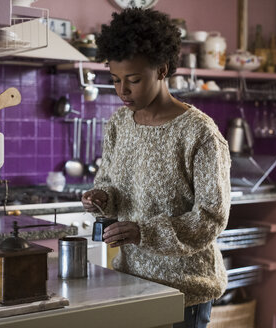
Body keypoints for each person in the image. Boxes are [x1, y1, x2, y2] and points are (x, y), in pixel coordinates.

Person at [81, 8, 231, 328]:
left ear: (162, 70)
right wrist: (101, 197)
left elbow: (211, 218)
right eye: (116, 80)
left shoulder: (200, 133)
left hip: (185, 290)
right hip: (131, 281)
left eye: (133, 80)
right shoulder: (119, 123)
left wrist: (143, 232)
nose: (123, 91)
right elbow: (109, 181)